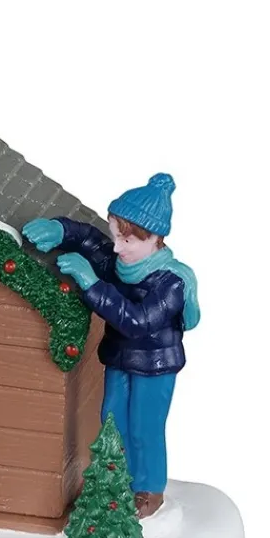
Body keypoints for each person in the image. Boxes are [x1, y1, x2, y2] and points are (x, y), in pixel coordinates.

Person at [23, 173, 199, 518]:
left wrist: (91, 283)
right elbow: (91, 240)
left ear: (154, 238)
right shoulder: (119, 262)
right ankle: (116, 479)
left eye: (127, 239)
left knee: (144, 428)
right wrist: (61, 230)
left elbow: (137, 322)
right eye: (116, 234)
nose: (117, 247)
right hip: (119, 358)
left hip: (155, 365)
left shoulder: (171, 282)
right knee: (111, 421)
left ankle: (148, 489)